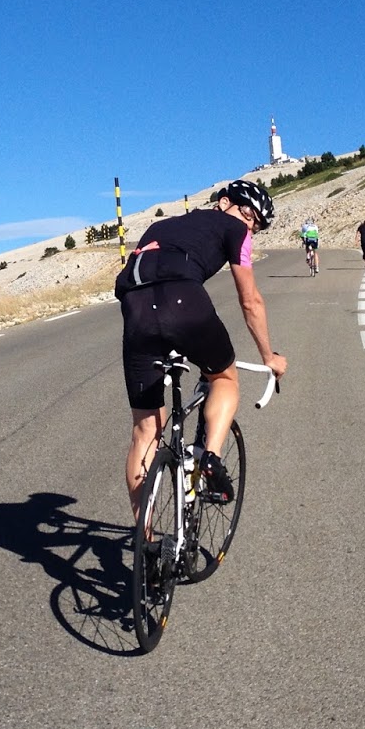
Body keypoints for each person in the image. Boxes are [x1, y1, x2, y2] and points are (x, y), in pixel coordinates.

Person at [115, 179, 287, 515]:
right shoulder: (233, 229)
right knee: (224, 379)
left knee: (146, 430)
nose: (250, 226)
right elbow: (250, 300)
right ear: (224, 203)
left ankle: (145, 542)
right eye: (248, 215)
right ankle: (211, 457)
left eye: (256, 225)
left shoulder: (160, 225)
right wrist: (269, 356)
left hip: (134, 312)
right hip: (183, 300)